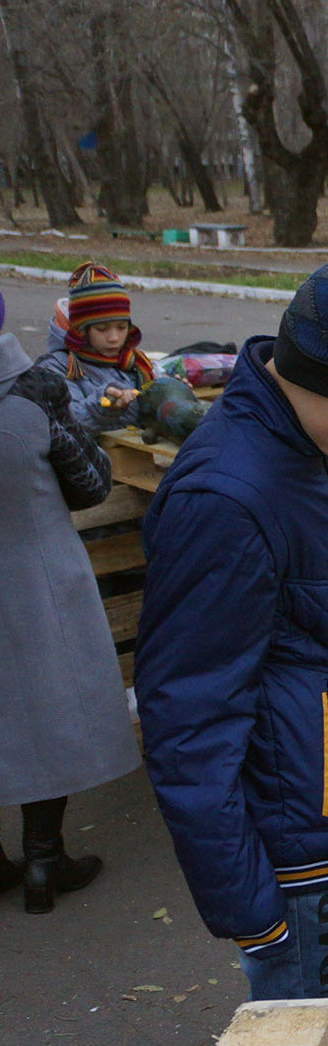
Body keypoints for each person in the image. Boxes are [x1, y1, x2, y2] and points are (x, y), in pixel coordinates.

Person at [135, 255, 328, 1000]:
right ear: (313, 374)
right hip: (289, 850)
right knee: (312, 1015)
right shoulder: (229, 498)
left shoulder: (307, 445)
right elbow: (188, 715)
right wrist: (251, 911)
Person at [0, 304, 139, 914]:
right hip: (35, 580)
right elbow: (90, 485)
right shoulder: (33, 395)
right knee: (42, 710)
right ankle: (43, 858)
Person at [37, 261, 155, 436]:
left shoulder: (135, 363)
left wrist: (168, 392)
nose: (114, 338)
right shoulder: (57, 368)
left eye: (121, 327)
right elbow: (65, 422)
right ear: (81, 331)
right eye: (102, 329)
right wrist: (102, 406)